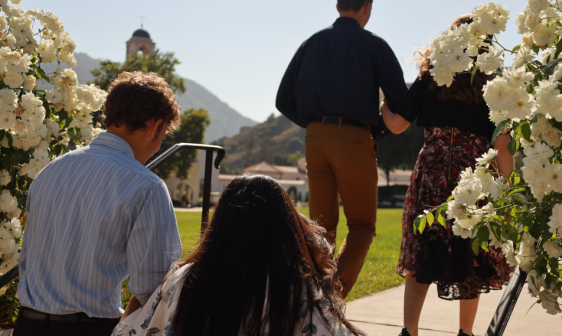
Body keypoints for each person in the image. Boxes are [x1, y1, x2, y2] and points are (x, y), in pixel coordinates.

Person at [14, 72, 183, 336]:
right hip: (90, 329)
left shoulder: (49, 171)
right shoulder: (147, 187)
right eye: (162, 137)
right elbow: (155, 290)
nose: (158, 147)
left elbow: (27, 262)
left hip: (27, 326)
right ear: (153, 126)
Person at [380, 15, 514, 336]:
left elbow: (397, 125)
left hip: (433, 169)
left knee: (422, 249)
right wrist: (506, 189)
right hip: (474, 174)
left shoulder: (430, 79)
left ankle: (409, 331)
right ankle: (465, 333)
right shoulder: (492, 86)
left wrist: (384, 105)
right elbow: (501, 147)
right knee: (472, 254)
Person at [112, 175, 366, 336]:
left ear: (220, 223)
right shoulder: (294, 291)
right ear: (285, 228)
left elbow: (127, 332)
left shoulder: (183, 279)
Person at [275, 0, 407, 298]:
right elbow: (402, 101)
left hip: (314, 139)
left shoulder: (311, 43)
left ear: (337, 6)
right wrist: (376, 130)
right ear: (367, 7)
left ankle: (312, 295)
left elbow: (283, 100)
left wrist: (315, 125)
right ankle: (330, 299)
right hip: (353, 138)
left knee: (320, 228)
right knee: (361, 227)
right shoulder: (373, 44)